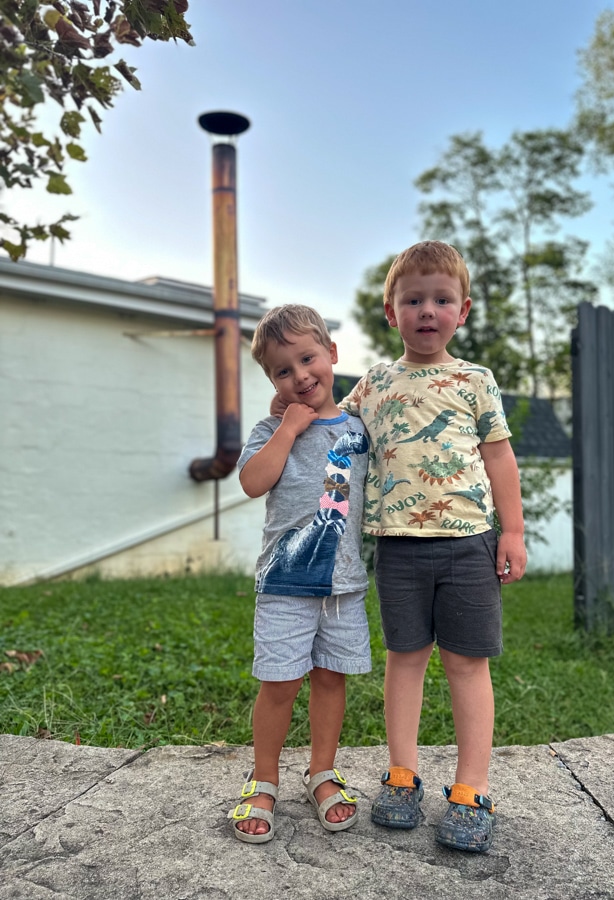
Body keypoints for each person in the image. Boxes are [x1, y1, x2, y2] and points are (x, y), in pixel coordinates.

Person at [340, 240, 527, 853]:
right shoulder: (373, 384)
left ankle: (472, 789)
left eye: (442, 299)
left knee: (467, 664)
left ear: (462, 311)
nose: (428, 310)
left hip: (469, 546)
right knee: (405, 658)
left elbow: (500, 459)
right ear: (390, 312)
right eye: (413, 299)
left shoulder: (475, 380)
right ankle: (402, 775)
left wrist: (513, 531)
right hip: (397, 549)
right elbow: (331, 427)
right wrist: (291, 402)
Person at [228, 303, 371, 844]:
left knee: (331, 679)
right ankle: (264, 778)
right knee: (280, 683)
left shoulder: (359, 429)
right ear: (272, 381)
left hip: (344, 585)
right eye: (283, 370)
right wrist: (287, 428)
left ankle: (321, 772)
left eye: (308, 359)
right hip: (285, 583)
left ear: (332, 354)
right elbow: (252, 482)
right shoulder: (270, 428)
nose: (300, 376)